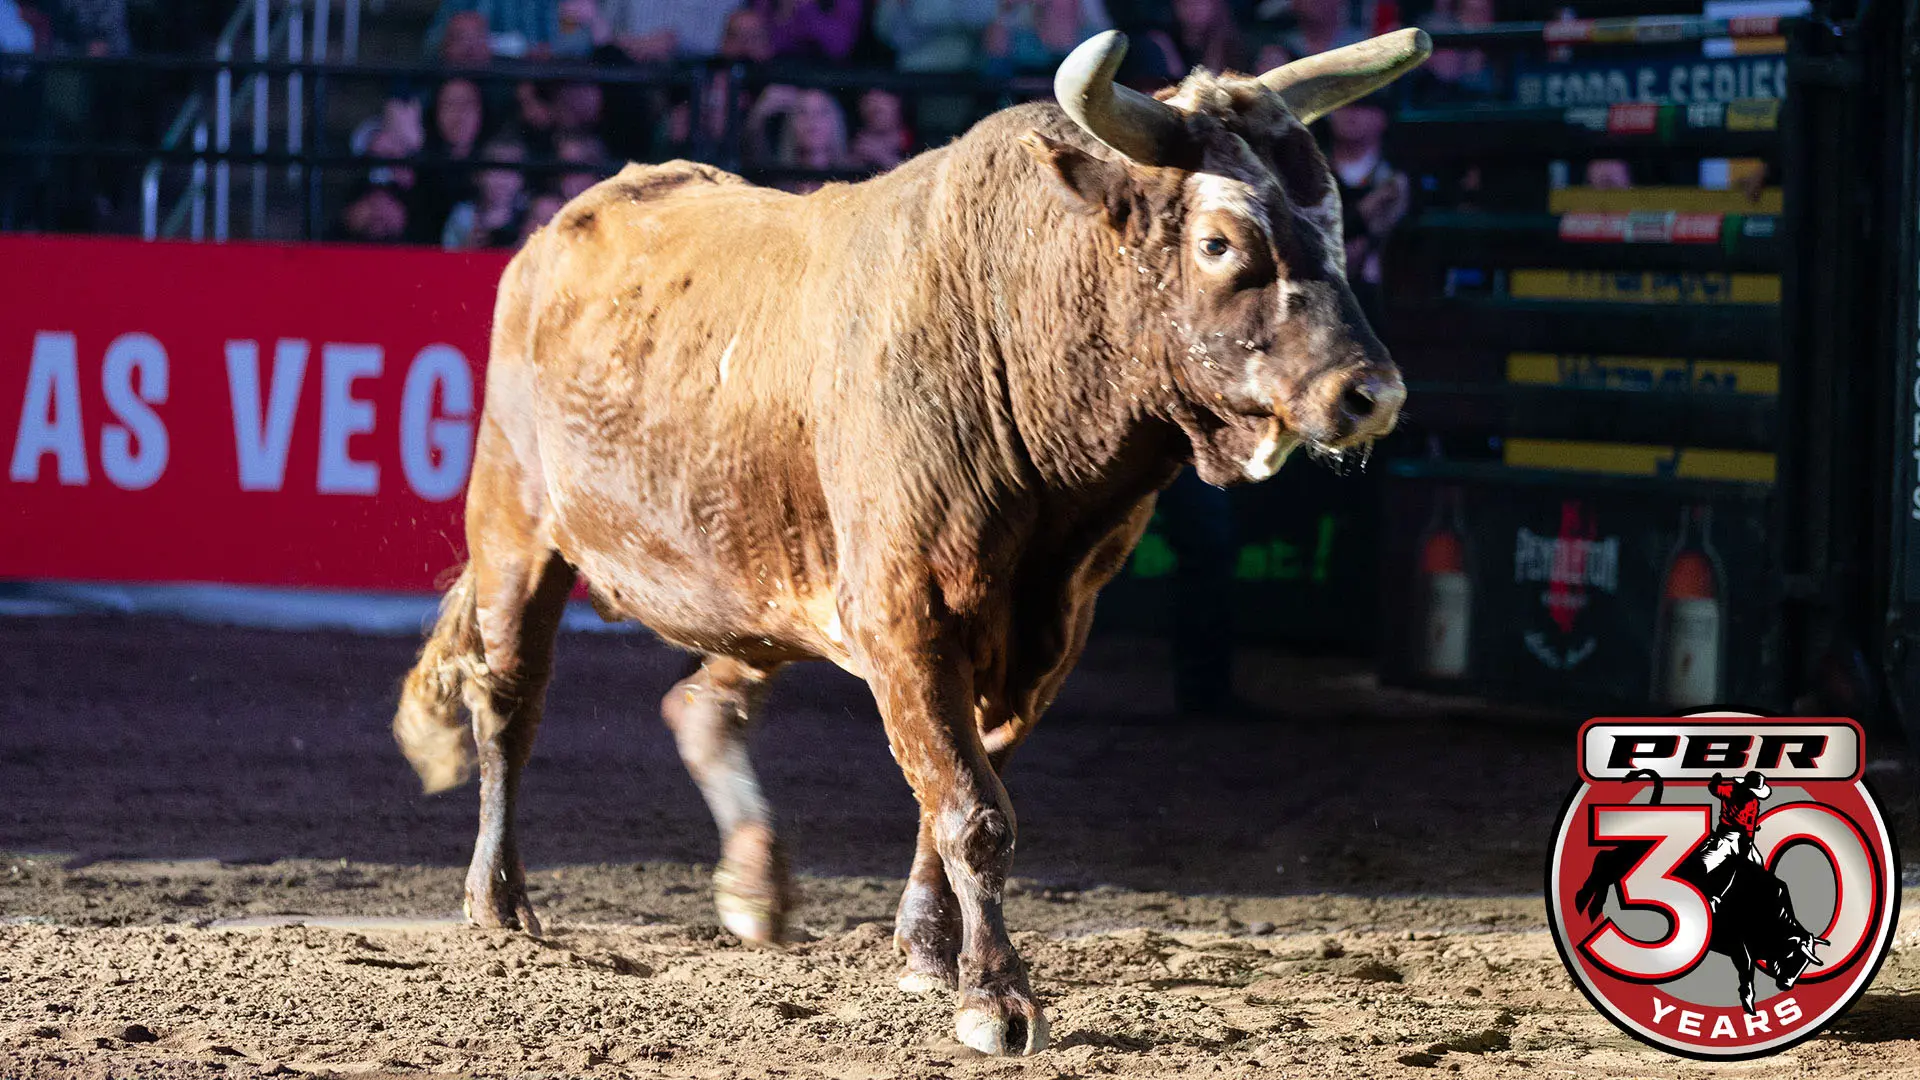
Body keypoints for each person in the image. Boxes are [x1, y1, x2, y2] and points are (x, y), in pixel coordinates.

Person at [1328, 93, 1409, 326]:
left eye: (1363, 106)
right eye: (1342, 105)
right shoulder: (1309, 174)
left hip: (1389, 309)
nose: (1351, 114)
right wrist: (1366, 211)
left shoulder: (1400, 178)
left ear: (1383, 117)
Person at [442, 136, 528, 249]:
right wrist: (466, 248)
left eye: (509, 171)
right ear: (479, 176)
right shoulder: (463, 215)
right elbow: (446, 256)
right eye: (494, 171)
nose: (501, 181)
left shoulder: (528, 214)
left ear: (521, 179)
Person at [848, 88, 912, 170]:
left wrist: (882, 157)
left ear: (898, 104)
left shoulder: (914, 140)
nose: (874, 118)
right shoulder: (856, 142)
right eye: (869, 111)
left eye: (879, 111)